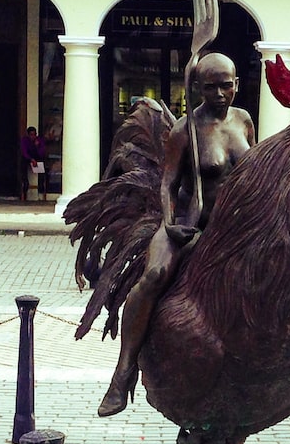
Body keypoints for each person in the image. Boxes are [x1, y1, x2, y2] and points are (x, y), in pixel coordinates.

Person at [97, 51, 255, 417]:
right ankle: (123, 373)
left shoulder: (243, 120)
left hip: (232, 225)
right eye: (211, 87)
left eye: (226, 86)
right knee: (154, 276)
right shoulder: (185, 130)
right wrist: (171, 224)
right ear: (197, 87)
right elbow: (168, 183)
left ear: (237, 85)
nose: (219, 94)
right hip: (188, 219)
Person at [20, 125, 46, 198]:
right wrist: (31, 159)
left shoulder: (39, 140)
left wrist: (37, 146)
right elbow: (24, 152)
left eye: (34, 135)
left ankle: (41, 186)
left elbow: (42, 153)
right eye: (31, 135)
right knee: (23, 163)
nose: (33, 137)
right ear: (28, 135)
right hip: (28, 157)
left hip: (37, 157)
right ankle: (25, 184)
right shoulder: (24, 140)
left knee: (42, 164)